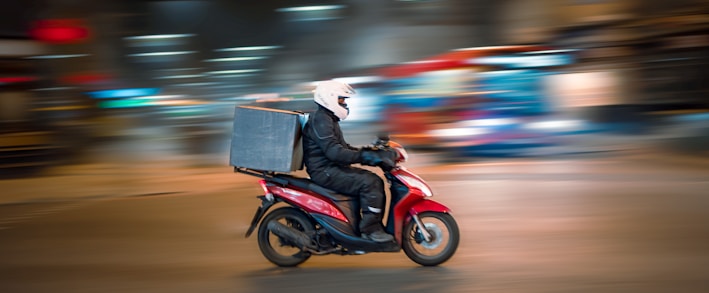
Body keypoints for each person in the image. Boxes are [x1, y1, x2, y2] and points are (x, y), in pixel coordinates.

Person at [301, 80, 397, 242]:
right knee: (371, 182)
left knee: (370, 179)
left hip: (330, 168)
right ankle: (370, 229)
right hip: (325, 171)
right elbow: (335, 153)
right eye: (341, 99)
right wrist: (366, 157)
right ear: (329, 97)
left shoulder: (327, 118)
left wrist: (370, 152)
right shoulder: (321, 120)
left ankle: (358, 224)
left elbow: (343, 148)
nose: (344, 104)